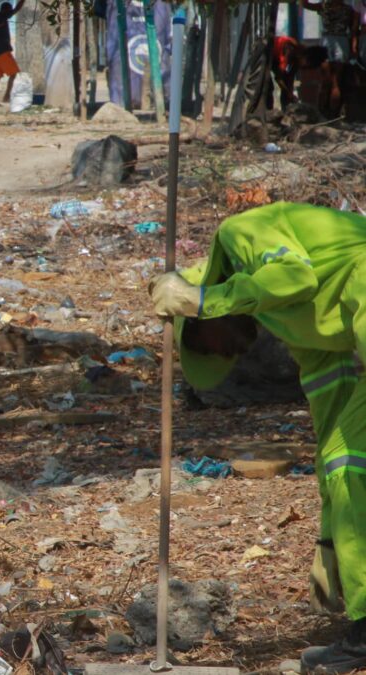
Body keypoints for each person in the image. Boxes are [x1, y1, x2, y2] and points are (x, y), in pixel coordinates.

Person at [149, 202, 366, 674]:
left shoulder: (238, 233)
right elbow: (333, 423)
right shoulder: (289, 322)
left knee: (351, 459)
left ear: (201, 319)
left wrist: (202, 299)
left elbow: (294, 274)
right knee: (346, 458)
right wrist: (331, 540)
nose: (235, 351)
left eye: (214, 346)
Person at [0, 0, 25, 107]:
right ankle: (7, 96)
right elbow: (16, 9)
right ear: (5, 10)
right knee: (13, 73)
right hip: (3, 51)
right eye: (9, 10)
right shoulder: (2, 17)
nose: (10, 12)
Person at [272, 35, 303, 109]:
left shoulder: (299, 52)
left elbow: (291, 76)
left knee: (287, 80)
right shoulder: (285, 57)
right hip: (271, 54)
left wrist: (290, 92)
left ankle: (287, 106)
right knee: (271, 85)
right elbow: (278, 79)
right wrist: (289, 93)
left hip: (283, 49)